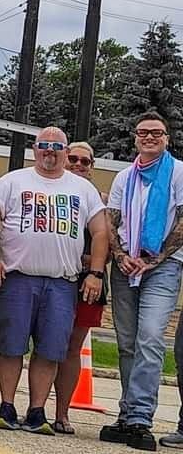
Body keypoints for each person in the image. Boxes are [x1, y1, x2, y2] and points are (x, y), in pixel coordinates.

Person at [0, 126, 108, 435]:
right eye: (44, 145)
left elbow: (101, 231)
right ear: (34, 149)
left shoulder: (82, 188)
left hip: (62, 282)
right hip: (16, 277)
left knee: (51, 349)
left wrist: (94, 273)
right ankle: (7, 406)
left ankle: (37, 411)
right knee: (11, 345)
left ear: (65, 151)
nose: (50, 151)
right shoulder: (13, 181)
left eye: (57, 146)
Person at [100, 113, 183, 451]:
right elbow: (112, 221)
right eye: (143, 133)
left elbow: (181, 221)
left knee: (150, 337)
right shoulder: (124, 177)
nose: (149, 137)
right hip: (125, 268)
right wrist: (121, 257)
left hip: (163, 267)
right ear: (135, 137)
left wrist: (154, 260)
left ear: (167, 138)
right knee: (127, 343)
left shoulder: (178, 172)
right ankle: (126, 413)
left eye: (156, 133)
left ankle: (139, 417)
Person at [51, 141, 106, 434]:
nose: (78, 165)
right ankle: (35, 408)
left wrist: (93, 265)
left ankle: (62, 414)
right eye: (73, 158)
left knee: (73, 347)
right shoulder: (47, 188)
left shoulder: (98, 199)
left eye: (86, 161)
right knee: (47, 346)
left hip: (88, 281)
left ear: (92, 166)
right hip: (52, 278)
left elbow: (108, 242)